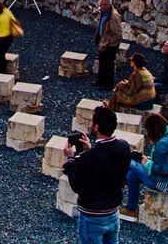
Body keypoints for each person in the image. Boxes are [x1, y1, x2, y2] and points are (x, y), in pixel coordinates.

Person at [63, 104, 132, 244]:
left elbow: (76, 185)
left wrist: (70, 160)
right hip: (113, 211)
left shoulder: (89, 157)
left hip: (92, 215)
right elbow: (105, 161)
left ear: (96, 127)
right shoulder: (124, 147)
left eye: (92, 121)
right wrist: (89, 150)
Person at [123, 112, 168, 215]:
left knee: (129, 162)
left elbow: (164, 170)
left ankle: (117, 188)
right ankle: (130, 208)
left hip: (167, 185)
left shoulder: (161, 145)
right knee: (131, 176)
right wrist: (148, 160)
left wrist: (146, 163)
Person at [94, 0, 123, 90]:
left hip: (109, 45)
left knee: (108, 65)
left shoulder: (114, 16)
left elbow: (117, 34)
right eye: (101, 4)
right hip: (103, 42)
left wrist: (109, 43)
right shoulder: (104, 13)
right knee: (102, 63)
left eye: (104, 5)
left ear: (109, 5)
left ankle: (108, 84)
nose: (102, 6)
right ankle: (100, 81)